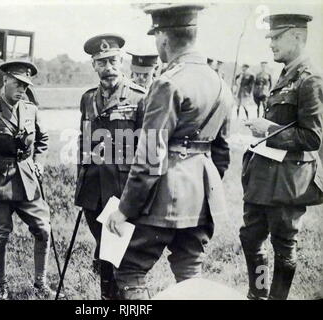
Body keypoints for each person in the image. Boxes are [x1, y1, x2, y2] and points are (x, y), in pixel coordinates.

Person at [106, 4, 234, 300]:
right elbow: (222, 153)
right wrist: (201, 188)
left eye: (156, 36)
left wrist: (125, 210)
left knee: (130, 269)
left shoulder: (167, 82)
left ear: (163, 37)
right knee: (190, 271)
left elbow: (150, 157)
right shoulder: (220, 84)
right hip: (202, 197)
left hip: (164, 198)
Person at [241, 14, 323, 300]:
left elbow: (313, 138)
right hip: (266, 178)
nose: (271, 44)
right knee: (251, 237)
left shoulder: (310, 79)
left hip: (288, 181)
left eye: (277, 38)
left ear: (297, 37)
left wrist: (269, 130)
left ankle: (276, 298)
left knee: (283, 245)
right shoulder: (287, 73)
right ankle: (259, 293)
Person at [0, 61, 57, 300]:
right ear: (4, 81)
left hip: (28, 180)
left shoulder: (31, 110)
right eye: (18, 84)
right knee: (1, 234)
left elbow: (43, 139)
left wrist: (38, 162)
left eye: (26, 85)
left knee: (43, 229)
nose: (22, 90)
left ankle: (40, 283)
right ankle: (1, 285)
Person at [74, 33, 146, 300]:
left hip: (122, 188)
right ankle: (108, 299)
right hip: (93, 188)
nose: (108, 67)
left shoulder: (139, 98)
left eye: (113, 60)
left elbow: (146, 151)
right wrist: (80, 180)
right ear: (94, 65)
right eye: (102, 62)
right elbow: (84, 142)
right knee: (103, 248)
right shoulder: (88, 98)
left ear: (123, 62)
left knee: (121, 255)